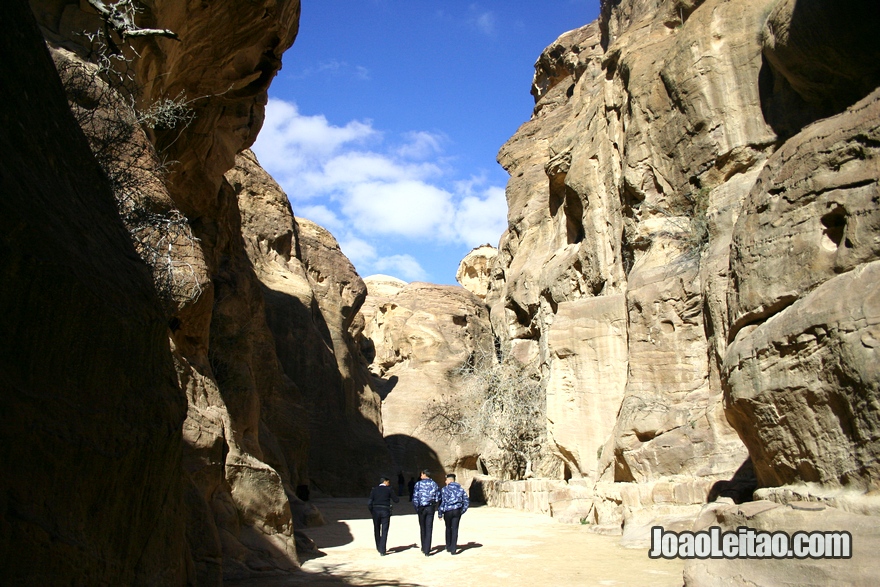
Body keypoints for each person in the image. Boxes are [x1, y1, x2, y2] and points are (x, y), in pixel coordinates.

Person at [411, 469, 441, 556]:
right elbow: (438, 496)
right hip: (430, 507)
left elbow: (415, 497)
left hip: (421, 507)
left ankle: (424, 547)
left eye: (421, 474)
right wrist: (434, 505)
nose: (421, 476)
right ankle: (427, 550)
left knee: (422, 527)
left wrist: (417, 508)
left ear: (424, 475)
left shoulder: (418, 484)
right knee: (429, 528)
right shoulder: (434, 484)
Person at [437, 473, 469, 555]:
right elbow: (466, 501)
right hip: (457, 511)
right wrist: (462, 511)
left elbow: (442, 502)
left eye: (446, 480)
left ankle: (448, 546)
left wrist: (440, 513)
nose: (445, 481)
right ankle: (453, 549)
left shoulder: (444, 489)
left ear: (450, 480)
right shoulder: (461, 489)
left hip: (447, 511)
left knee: (448, 528)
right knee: (455, 529)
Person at [368, 476, 399, 555]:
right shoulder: (389, 489)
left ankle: (378, 546)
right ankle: (382, 549)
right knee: (384, 530)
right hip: (385, 510)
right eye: (388, 482)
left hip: (376, 510)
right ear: (385, 482)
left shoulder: (374, 490)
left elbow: (369, 503)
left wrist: (372, 511)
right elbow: (396, 500)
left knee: (376, 529)